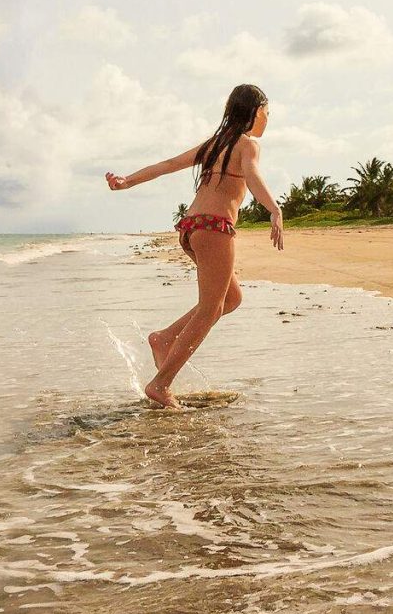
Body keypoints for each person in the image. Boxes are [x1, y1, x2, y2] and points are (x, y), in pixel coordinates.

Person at [105, 82, 283, 408]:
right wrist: (274, 209)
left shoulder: (214, 144)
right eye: (267, 112)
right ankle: (161, 384)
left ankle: (165, 338)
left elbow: (169, 164)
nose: (268, 119)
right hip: (215, 229)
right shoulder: (248, 145)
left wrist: (127, 181)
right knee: (210, 308)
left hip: (191, 228)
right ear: (255, 111)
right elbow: (254, 176)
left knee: (231, 298)